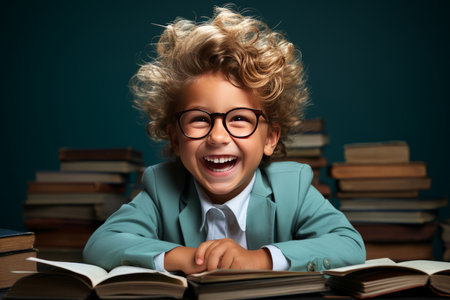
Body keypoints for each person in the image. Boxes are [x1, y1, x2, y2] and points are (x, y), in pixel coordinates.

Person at [83, 6, 365, 274]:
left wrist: (258, 259)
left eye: (240, 118)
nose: (217, 136)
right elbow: (101, 244)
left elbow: (348, 244)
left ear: (270, 138)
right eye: (199, 119)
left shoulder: (293, 189)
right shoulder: (162, 190)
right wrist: (186, 257)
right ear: (175, 138)